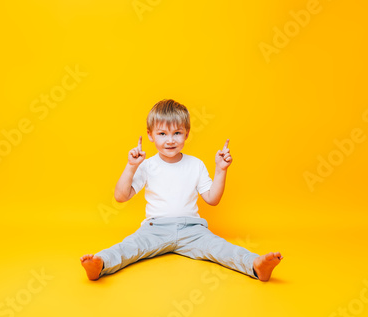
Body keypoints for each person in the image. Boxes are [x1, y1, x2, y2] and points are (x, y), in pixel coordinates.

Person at [80, 99, 282, 282]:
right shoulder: (147, 166)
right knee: (129, 247)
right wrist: (131, 166)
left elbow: (212, 199)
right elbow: (120, 196)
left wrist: (220, 170)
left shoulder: (195, 164)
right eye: (162, 134)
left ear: (186, 133)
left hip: (192, 230)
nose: (170, 140)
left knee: (220, 248)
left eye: (177, 133)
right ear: (150, 135)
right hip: (154, 229)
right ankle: (101, 264)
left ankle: (255, 266)